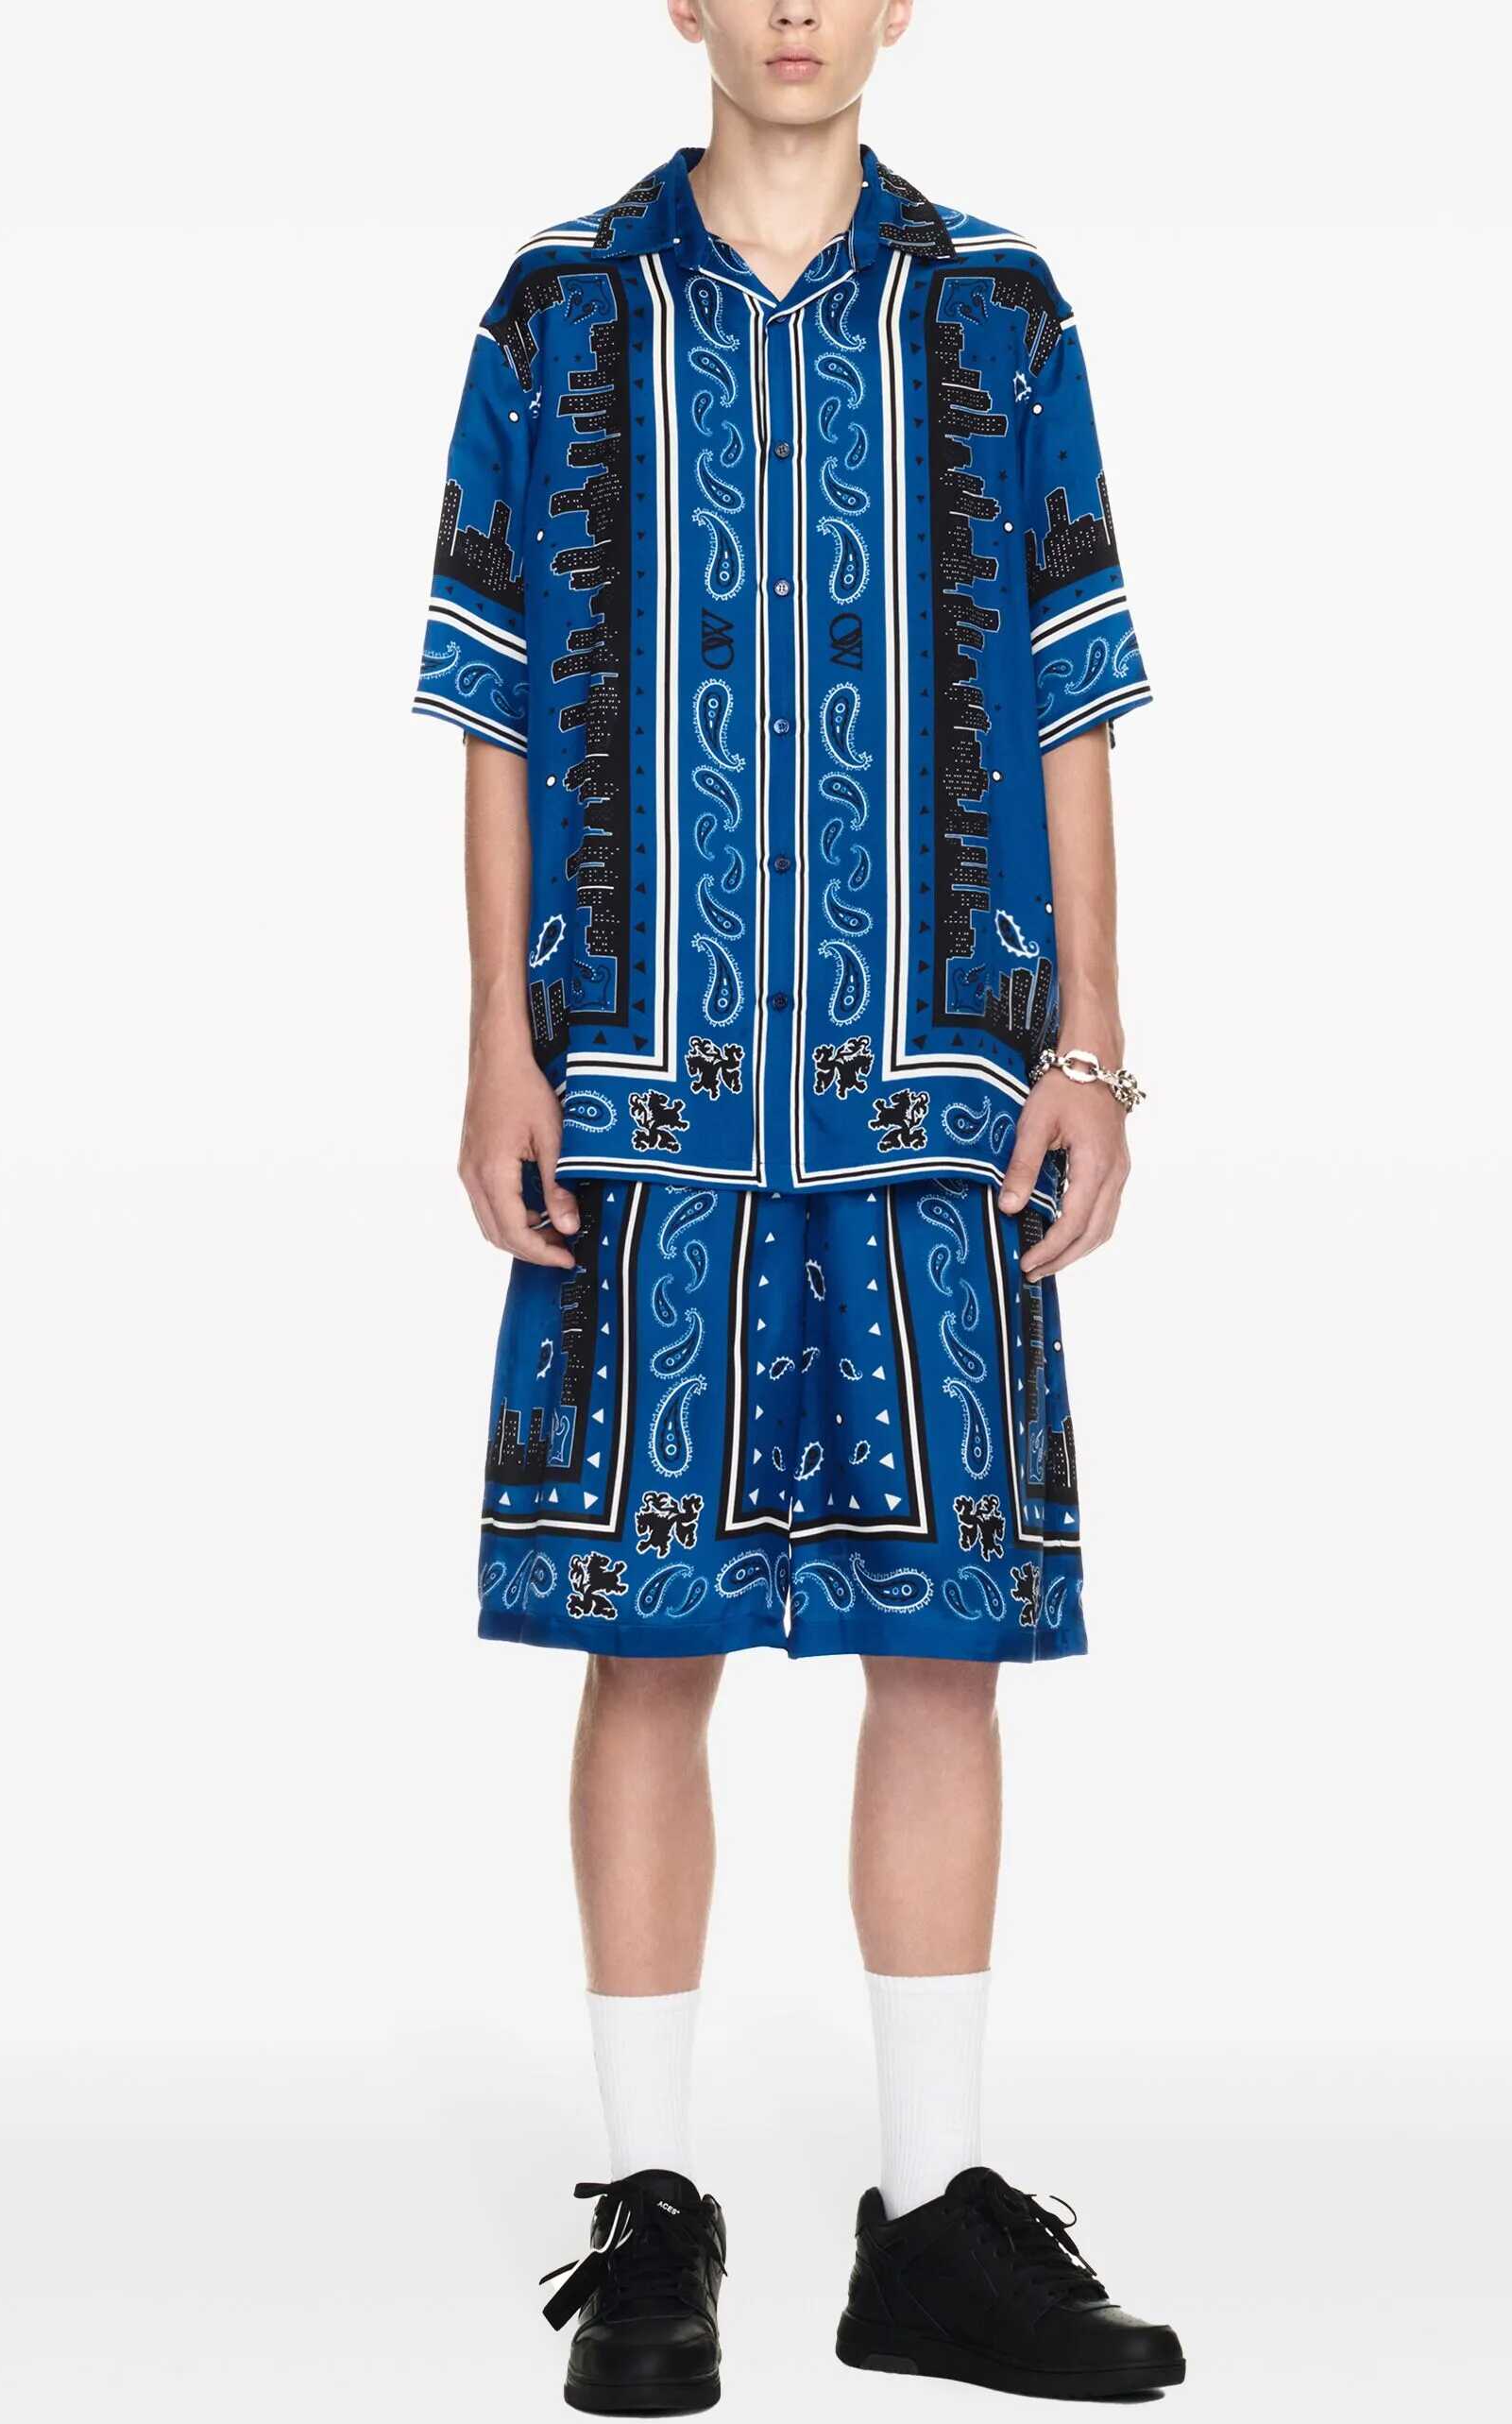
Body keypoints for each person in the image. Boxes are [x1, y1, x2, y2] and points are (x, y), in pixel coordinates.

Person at [411, 1, 1181, 2407]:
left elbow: (1068, 682)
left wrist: (1087, 1043)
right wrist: (497, 1039)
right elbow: (495, 693)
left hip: (932, 1083)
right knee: (645, 1641)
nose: (792, 11)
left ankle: (931, 2215)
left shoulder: (999, 311)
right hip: (640, 1085)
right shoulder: (559, 308)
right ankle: (650, 2206)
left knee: (939, 1639)